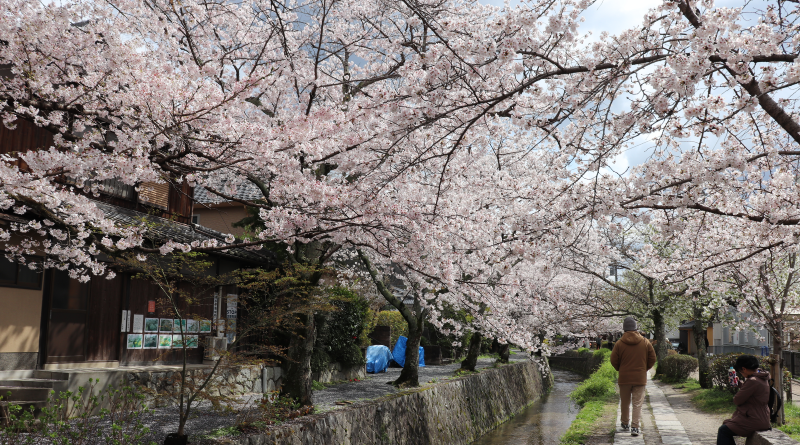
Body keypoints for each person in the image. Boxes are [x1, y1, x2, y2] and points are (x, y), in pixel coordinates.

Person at [610, 317, 656, 437]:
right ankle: (635, 427)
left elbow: (613, 360)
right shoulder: (645, 342)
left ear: (624, 328)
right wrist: (644, 368)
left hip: (624, 377)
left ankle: (625, 423)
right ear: (636, 328)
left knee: (625, 402)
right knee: (637, 403)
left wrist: (620, 368)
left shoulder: (619, 343)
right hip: (640, 377)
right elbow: (653, 358)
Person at [717, 355, 771, 445]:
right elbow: (754, 393)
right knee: (726, 425)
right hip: (761, 416)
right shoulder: (761, 377)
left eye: (740, 371)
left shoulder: (752, 381)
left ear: (744, 369)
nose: (741, 373)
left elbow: (737, 400)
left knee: (724, 430)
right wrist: (740, 384)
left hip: (754, 419)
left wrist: (738, 392)